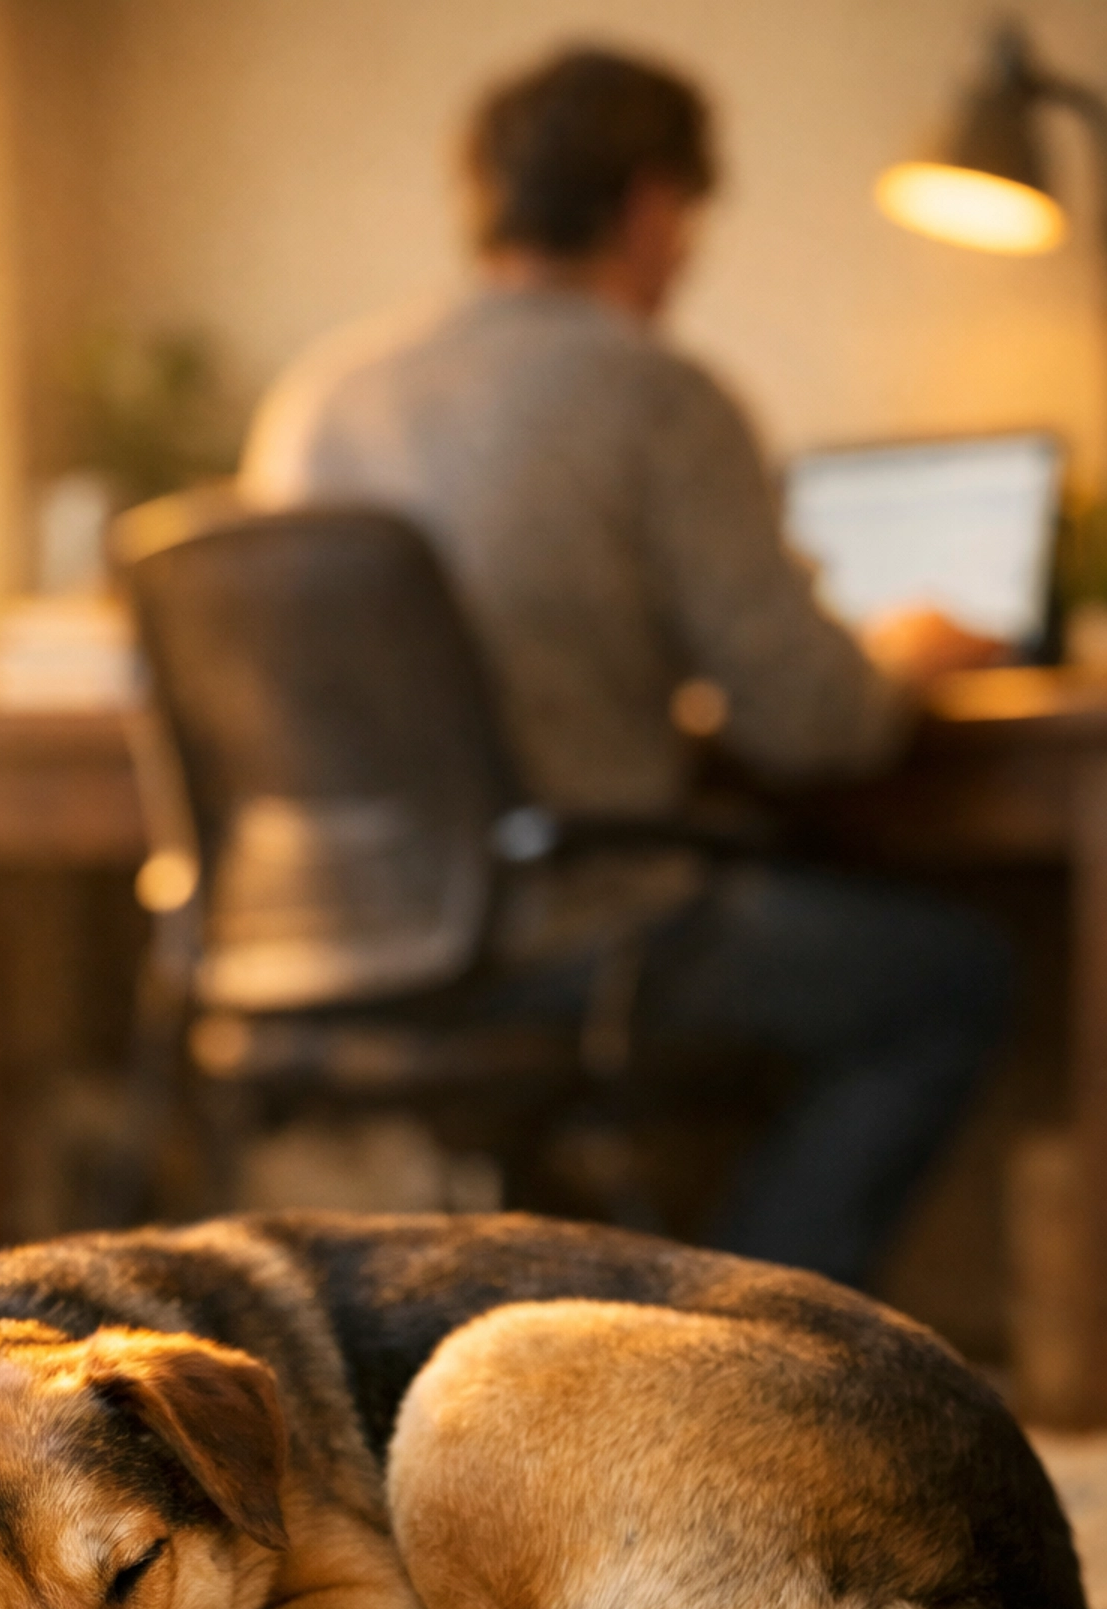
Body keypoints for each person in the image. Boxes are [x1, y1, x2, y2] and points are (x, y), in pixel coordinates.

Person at [241, 44, 1011, 1291]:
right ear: (656, 206)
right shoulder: (655, 392)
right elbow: (813, 724)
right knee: (948, 978)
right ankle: (747, 1352)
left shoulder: (319, 397)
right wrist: (904, 657)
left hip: (329, 935)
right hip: (567, 923)